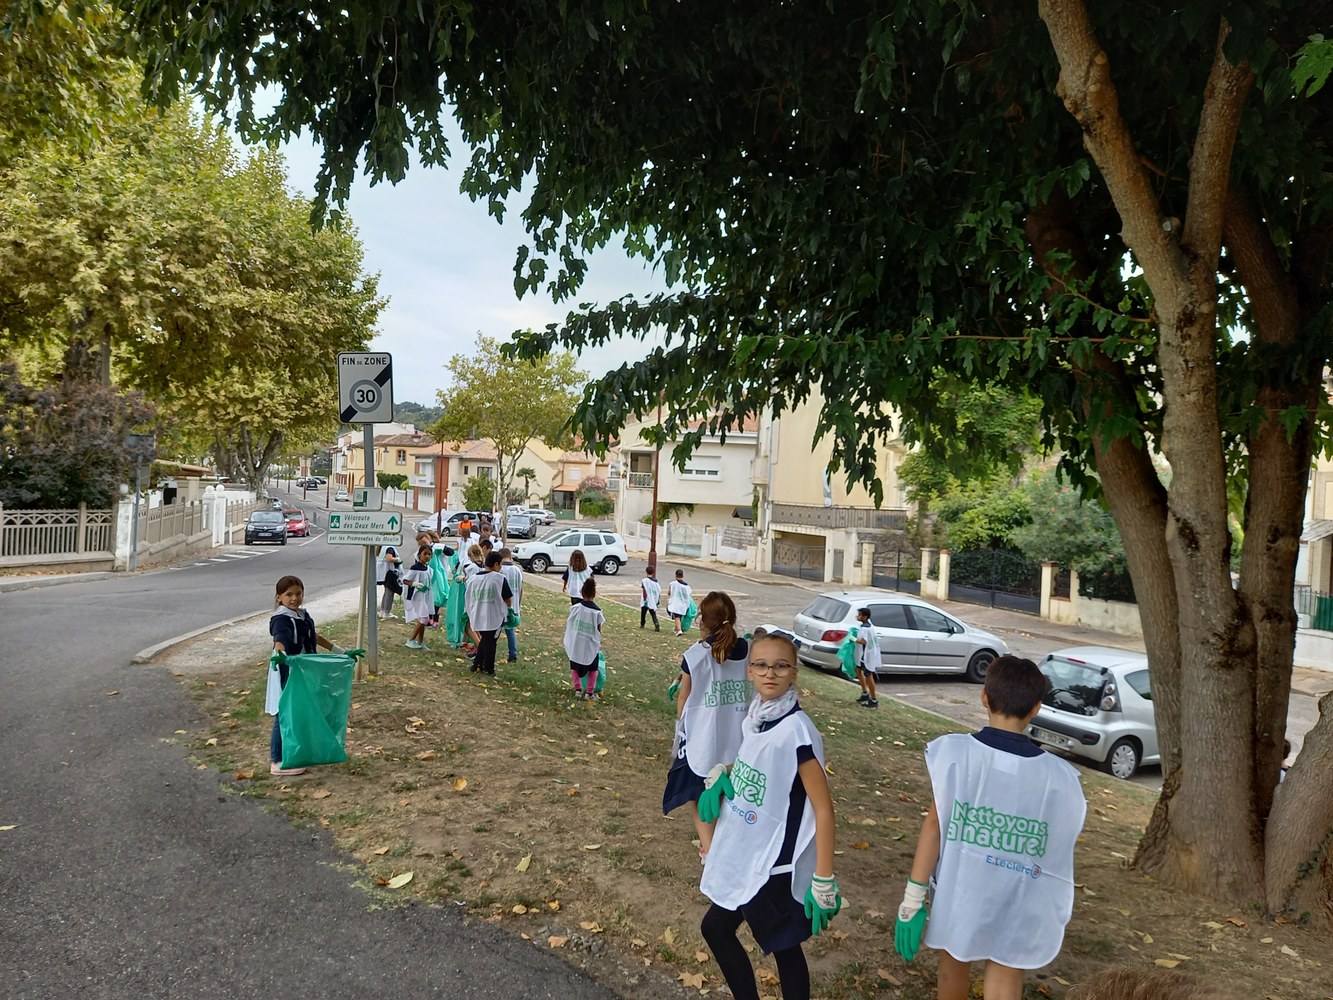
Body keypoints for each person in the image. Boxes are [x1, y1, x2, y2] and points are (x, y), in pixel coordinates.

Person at [895, 655, 1087, 1000]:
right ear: (1036, 708)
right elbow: (1058, 843)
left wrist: (913, 898)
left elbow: (935, 826)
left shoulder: (955, 754)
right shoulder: (1058, 778)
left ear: (984, 697)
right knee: (1004, 977)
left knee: (954, 965)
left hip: (961, 893)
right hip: (1018, 898)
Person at [696, 632, 839, 1000]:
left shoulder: (797, 732)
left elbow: (823, 808)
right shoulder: (757, 715)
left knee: (779, 944)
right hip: (746, 850)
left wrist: (823, 878)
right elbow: (758, 762)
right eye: (760, 665)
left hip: (771, 862)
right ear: (749, 671)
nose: (769, 673)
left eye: (780, 666)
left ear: (794, 673)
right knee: (730, 932)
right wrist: (724, 772)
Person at [663, 591, 750, 861]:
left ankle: (709, 849)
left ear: (702, 620)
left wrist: (681, 728)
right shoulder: (750, 650)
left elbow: (684, 697)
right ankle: (723, 845)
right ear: (732, 617)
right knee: (726, 792)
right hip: (738, 737)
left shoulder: (694, 655)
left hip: (703, 739)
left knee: (698, 792)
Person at [268, 575, 347, 776]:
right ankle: (277, 761)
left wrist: (339, 651)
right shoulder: (281, 619)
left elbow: (313, 636)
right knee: (284, 711)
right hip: (288, 669)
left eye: (298, 593)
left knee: (301, 710)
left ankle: (298, 751)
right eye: (289, 595)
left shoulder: (301, 615)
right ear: (279, 597)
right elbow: (280, 639)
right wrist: (280, 655)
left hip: (304, 669)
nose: (295, 598)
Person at [464, 550, 513, 676]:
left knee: (485, 639)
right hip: (494, 616)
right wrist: (510, 610)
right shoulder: (499, 578)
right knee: (491, 642)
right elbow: (508, 598)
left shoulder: (473, 579)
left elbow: (467, 596)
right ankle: (488, 668)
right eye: (500, 564)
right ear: (496, 564)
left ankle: (477, 664)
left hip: (477, 614)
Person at [564, 577, 605, 700]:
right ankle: (589, 693)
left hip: (576, 642)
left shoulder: (575, 608)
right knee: (593, 669)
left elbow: (571, 623)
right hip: (590, 644)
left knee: (574, 666)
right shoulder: (597, 612)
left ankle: (578, 689)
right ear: (594, 594)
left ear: (582, 592)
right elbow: (598, 629)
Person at [401, 544, 435, 650]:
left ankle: (420, 642)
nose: (427, 556)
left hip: (425, 596)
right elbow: (405, 580)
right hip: (417, 597)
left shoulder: (428, 569)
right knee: (424, 619)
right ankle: (411, 640)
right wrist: (415, 584)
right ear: (419, 555)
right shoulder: (415, 568)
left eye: (429, 554)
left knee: (422, 619)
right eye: (425, 554)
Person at [498, 547, 524, 662]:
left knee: (494, 631)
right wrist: (518, 603)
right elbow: (521, 589)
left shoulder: (500, 570)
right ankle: (513, 654)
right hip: (514, 605)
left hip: (501, 606)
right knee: (510, 631)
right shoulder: (517, 570)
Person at [852, 607, 880, 708]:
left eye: (859, 615)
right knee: (858, 671)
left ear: (865, 617)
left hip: (866, 655)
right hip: (862, 654)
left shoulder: (865, 628)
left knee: (868, 675)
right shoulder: (865, 626)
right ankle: (865, 693)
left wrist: (853, 639)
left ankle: (874, 700)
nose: (857, 616)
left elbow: (864, 641)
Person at [375, 544, 402, 619]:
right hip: (389, 573)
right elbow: (389, 558)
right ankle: (386, 612)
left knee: (386, 592)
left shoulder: (381, 548)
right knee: (390, 592)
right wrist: (397, 559)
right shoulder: (389, 548)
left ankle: (382, 610)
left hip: (382, 573)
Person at [668, 569, 693, 636]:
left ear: (676, 575)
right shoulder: (687, 586)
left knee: (677, 616)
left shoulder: (672, 584)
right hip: (684, 604)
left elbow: (669, 593)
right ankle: (677, 629)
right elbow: (689, 595)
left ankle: (679, 630)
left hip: (675, 603)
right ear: (683, 575)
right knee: (679, 617)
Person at [640, 566, 662, 631]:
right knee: (652, 612)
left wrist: (644, 598)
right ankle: (656, 622)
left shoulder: (644, 581)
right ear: (653, 572)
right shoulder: (656, 582)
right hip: (653, 599)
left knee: (643, 612)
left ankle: (642, 623)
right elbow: (658, 591)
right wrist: (657, 600)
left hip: (646, 599)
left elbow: (644, 590)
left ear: (646, 572)